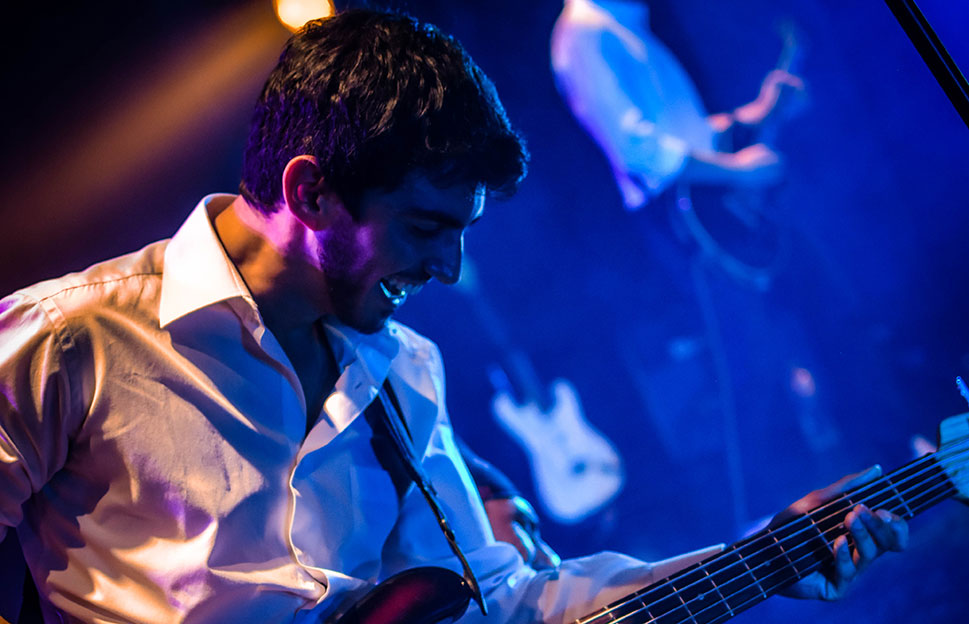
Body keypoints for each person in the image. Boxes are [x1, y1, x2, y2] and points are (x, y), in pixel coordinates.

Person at [0, 9, 905, 624]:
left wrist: (759, 558)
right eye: (427, 227)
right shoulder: (76, 337)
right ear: (308, 191)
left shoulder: (405, 369)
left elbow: (504, 601)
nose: (448, 267)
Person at [551, 0, 802, 211]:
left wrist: (756, 112)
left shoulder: (615, 22)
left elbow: (678, 134)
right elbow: (634, 148)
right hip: (677, 210)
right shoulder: (582, 34)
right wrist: (736, 170)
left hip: (694, 197)